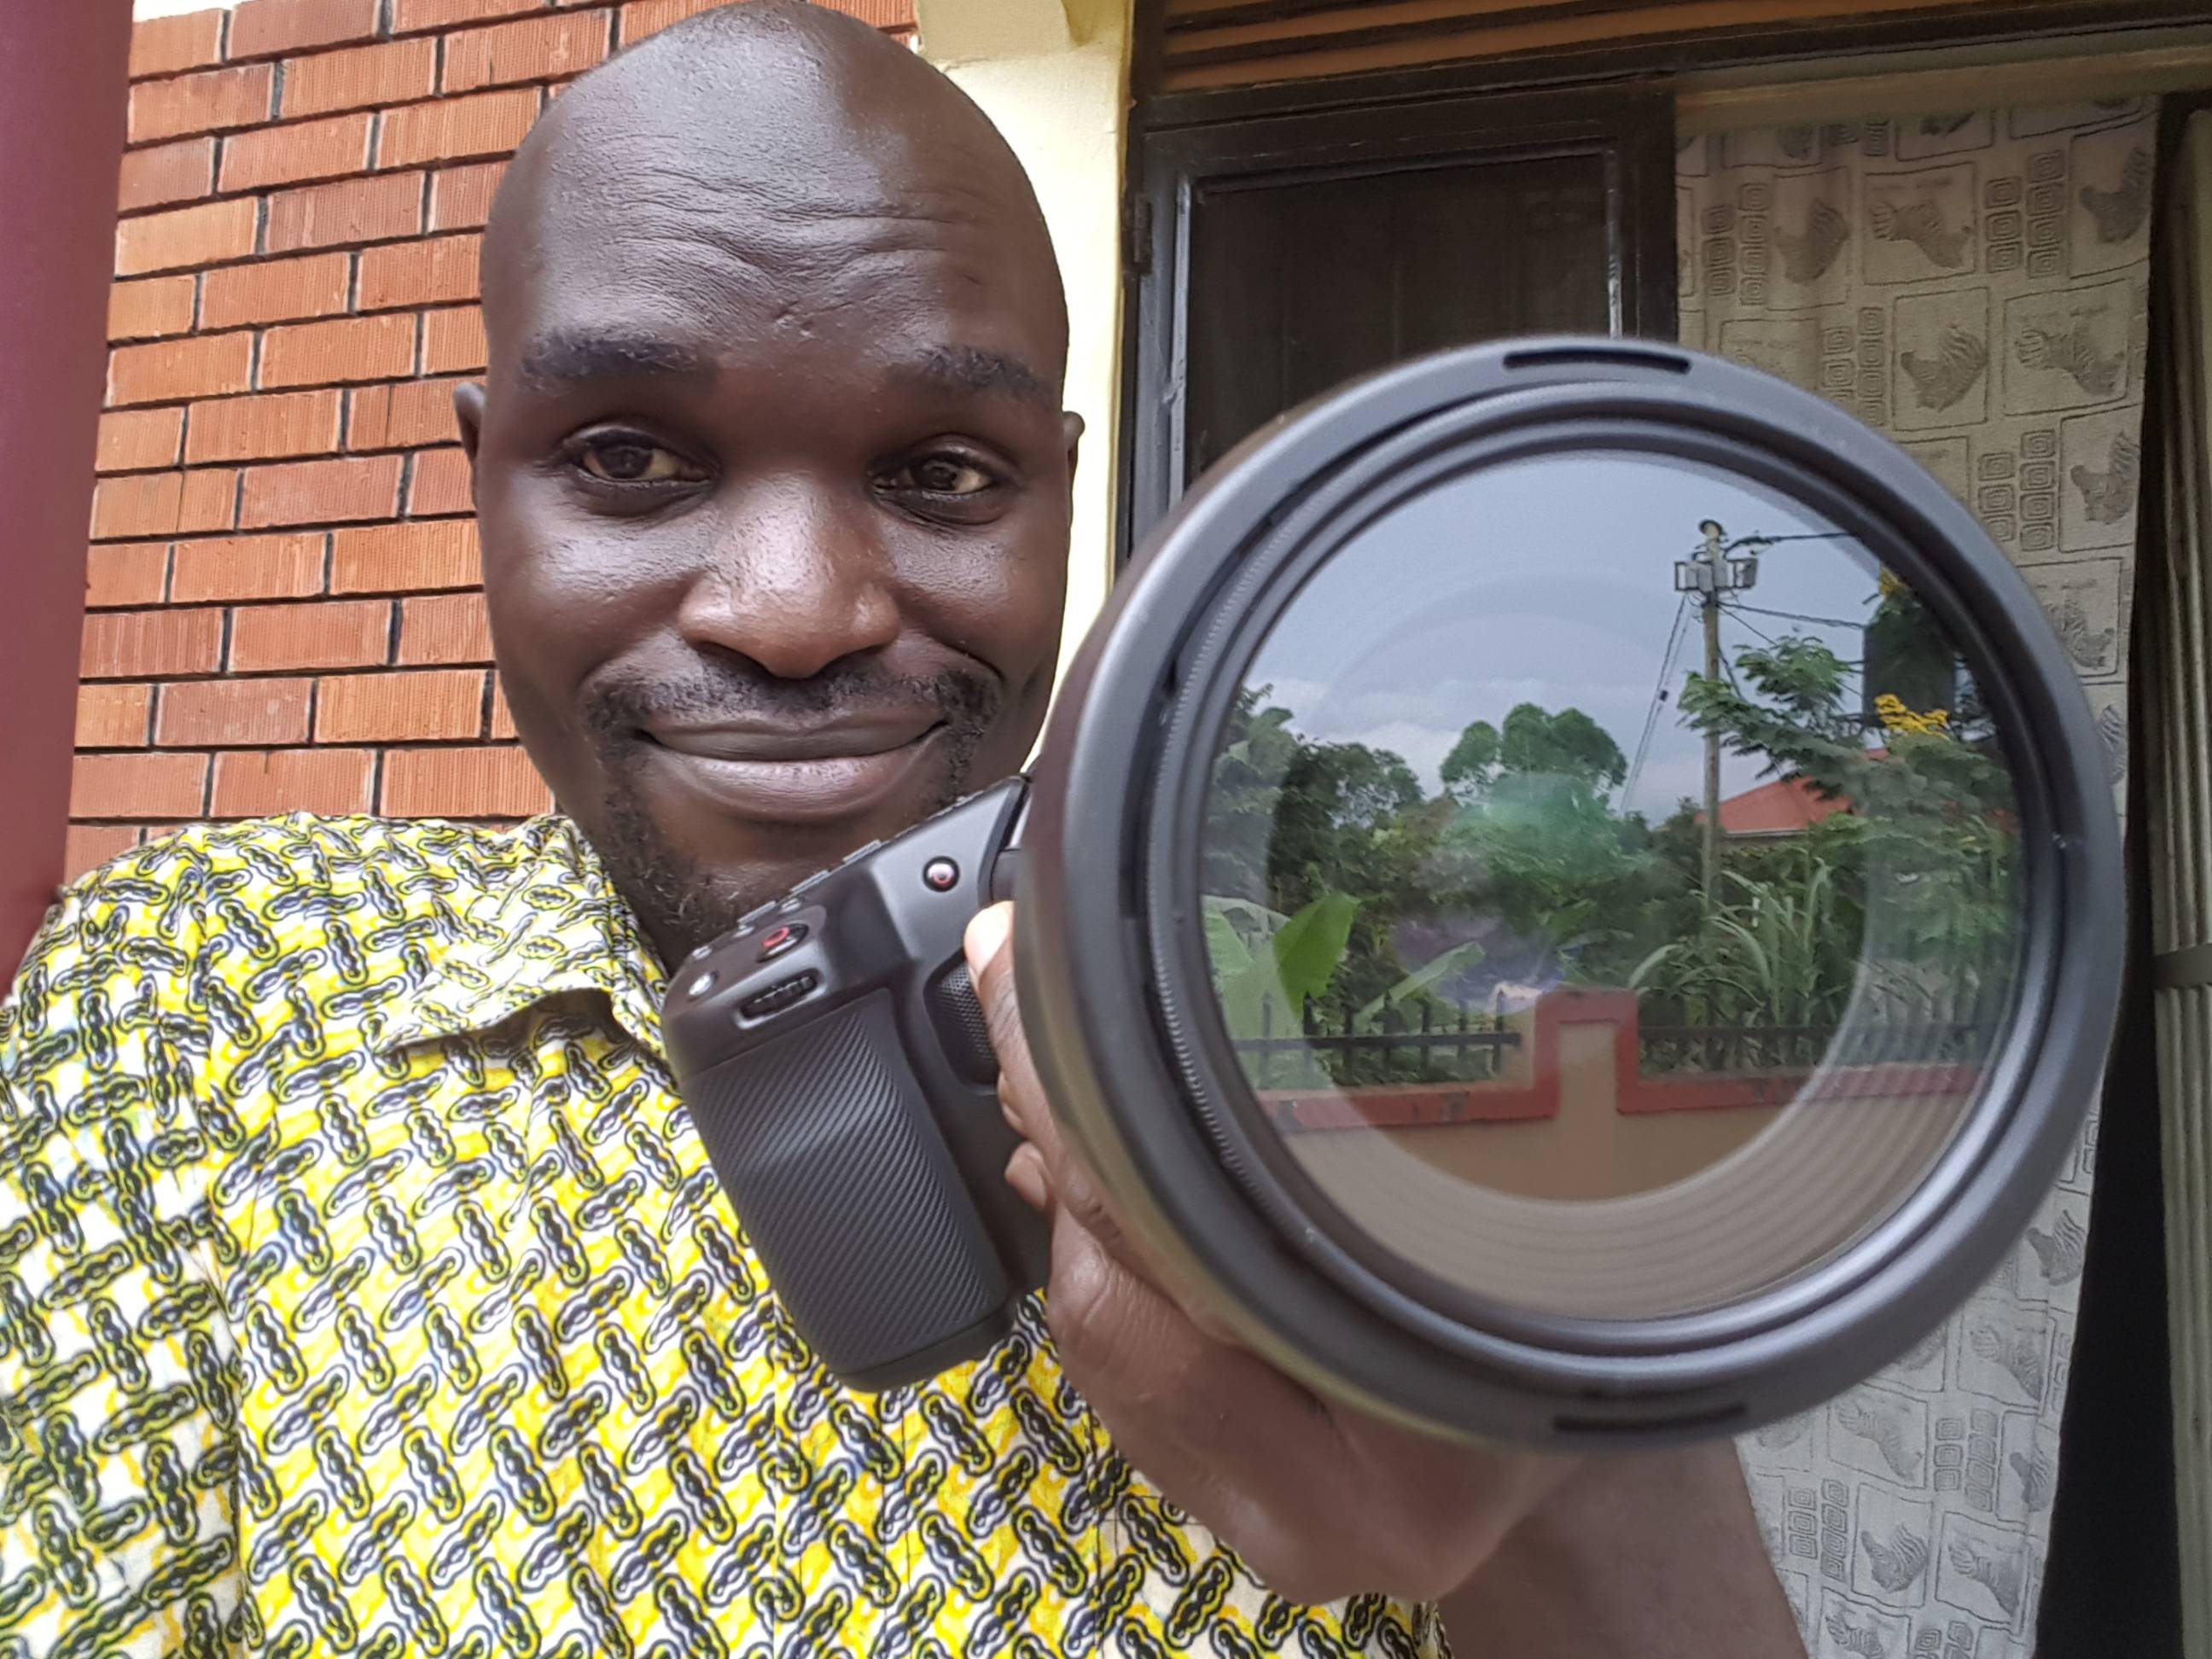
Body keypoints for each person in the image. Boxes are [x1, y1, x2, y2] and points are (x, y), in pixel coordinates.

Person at [0, 4, 1807, 1653]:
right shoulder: (207, 993)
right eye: (629, 458)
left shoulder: (1336, 1036)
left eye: (943, 475)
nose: (796, 613)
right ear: (486, 480)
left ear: (1064, 500)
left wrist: (1568, 1454)